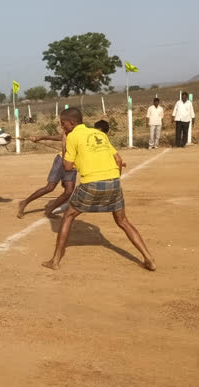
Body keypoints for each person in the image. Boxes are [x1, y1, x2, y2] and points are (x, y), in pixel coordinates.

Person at [42, 108, 156, 272]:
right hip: (114, 183)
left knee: (67, 217)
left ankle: (55, 261)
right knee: (123, 222)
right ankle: (149, 258)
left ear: (72, 123)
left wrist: (69, 151)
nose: (62, 127)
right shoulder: (100, 134)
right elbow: (118, 159)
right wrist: (113, 178)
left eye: (63, 124)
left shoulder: (72, 136)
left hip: (91, 183)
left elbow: (67, 167)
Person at [16, 129, 77, 219]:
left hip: (73, 164)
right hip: (61, 160)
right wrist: (42, 137)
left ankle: (49, 211)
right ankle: (24, 202)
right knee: (50, 187)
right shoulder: (77, 132)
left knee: (69, 191)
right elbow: (62, 137)